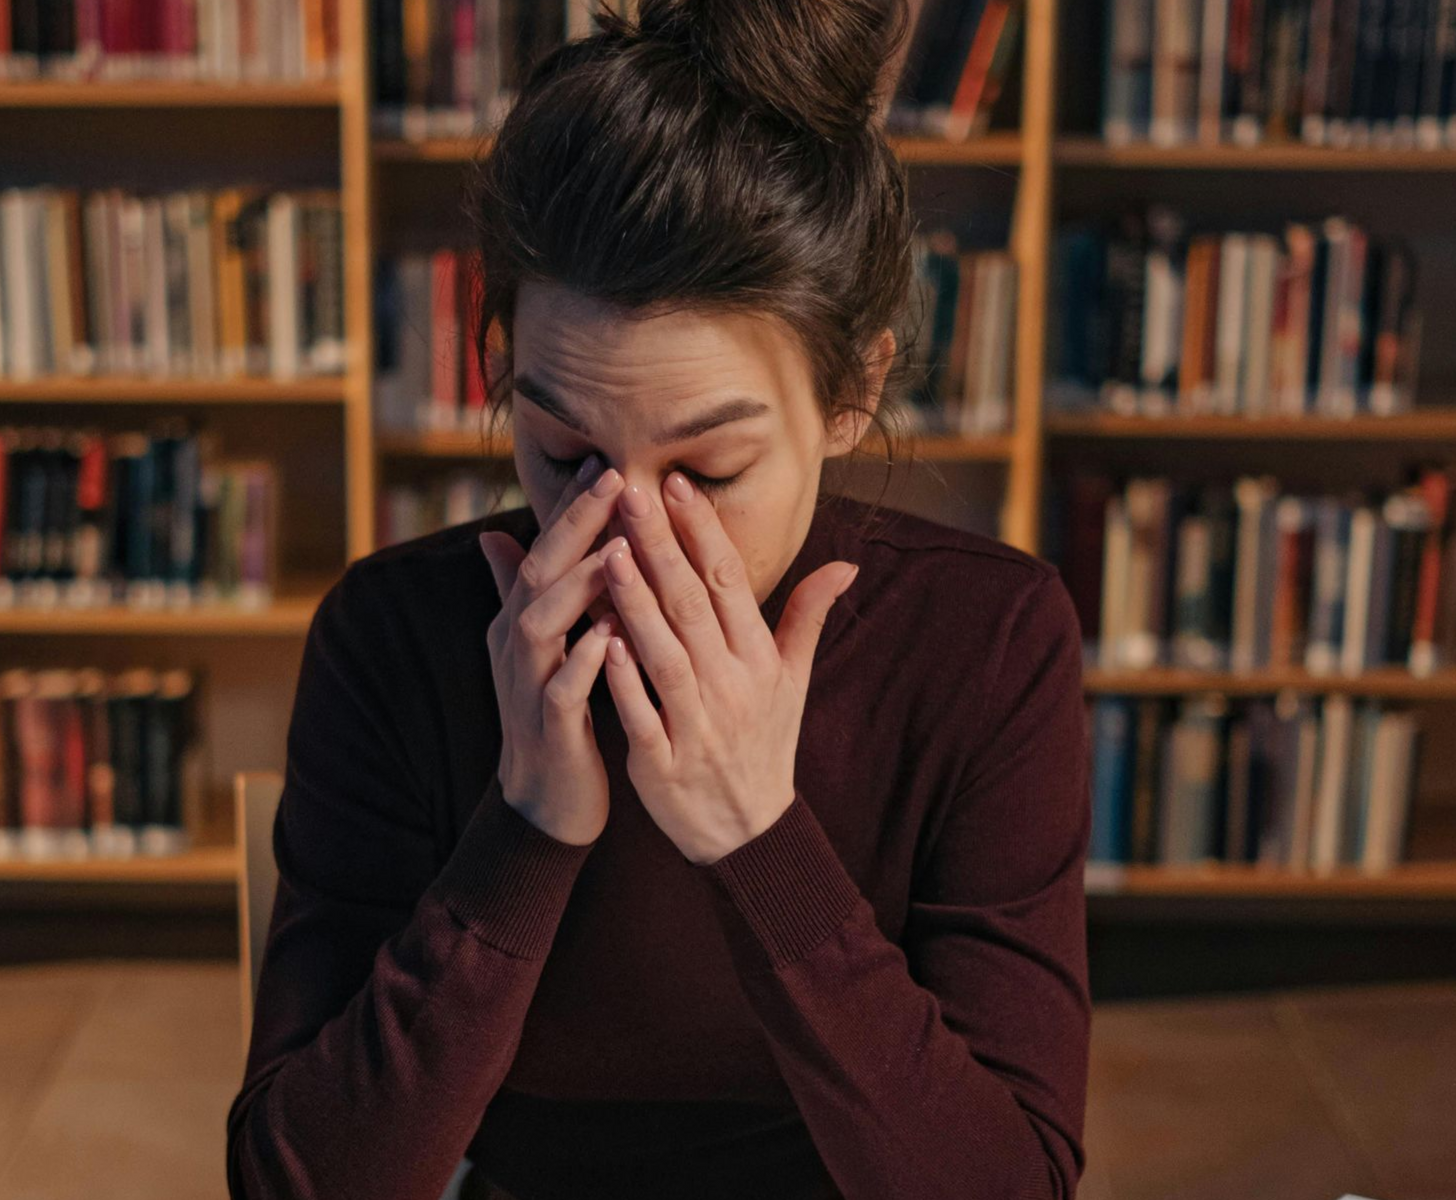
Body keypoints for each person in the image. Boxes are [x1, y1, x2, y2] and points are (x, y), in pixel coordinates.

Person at [227, 1, 1091, 1197]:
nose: (627, 534)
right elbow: (301, 1182)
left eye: (709, 471)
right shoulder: (396, 637)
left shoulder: (985, 644)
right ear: (497, 375)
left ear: (852, 393)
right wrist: (524, 826)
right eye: (564, 450)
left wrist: (758, 840)